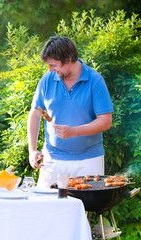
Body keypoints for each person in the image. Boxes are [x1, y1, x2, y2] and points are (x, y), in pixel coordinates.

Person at [27, 36, 113, 188]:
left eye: (53, 65)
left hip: (88, 161)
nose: (50, 70)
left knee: (84, 209)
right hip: (52, 159)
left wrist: (74, 131)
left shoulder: (95, 80)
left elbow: (106, 121)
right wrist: (32, 150)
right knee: (45, 208)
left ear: (68, 59)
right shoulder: (47, 80)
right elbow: (35, 115)